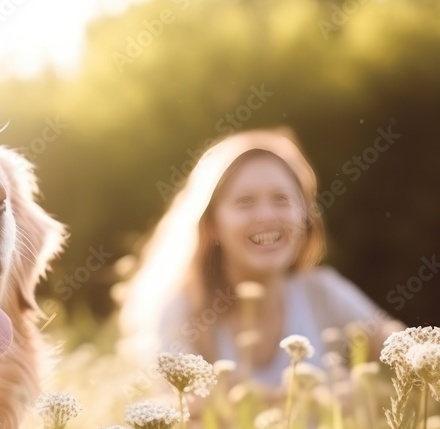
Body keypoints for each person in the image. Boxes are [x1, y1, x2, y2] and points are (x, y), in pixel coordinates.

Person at [118, 128, 403, 386]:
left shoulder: (322, 292)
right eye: (245, 202)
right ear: (212, 225)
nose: (266, 216)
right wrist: (321, 400)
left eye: (281, 199)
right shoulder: (181, 316)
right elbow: (180, 418)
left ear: (304, 215)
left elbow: (406, 354)